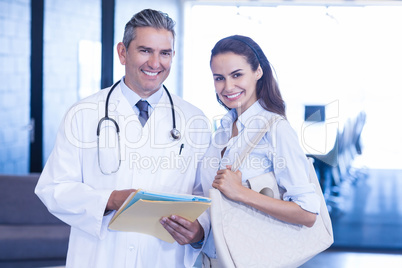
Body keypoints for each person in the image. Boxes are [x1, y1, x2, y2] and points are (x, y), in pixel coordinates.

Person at [35, 9, 211, 268]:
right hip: (100, 257)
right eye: (145, 50)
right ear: (122, 52)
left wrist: (199, 232)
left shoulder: (194, 120)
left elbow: (205, 196)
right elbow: (53, 188)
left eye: (165, 53)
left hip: (163, 257)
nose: (155, 63)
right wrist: (111, 199)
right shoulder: (83, 114)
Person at [200, 35, 321, 263]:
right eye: (219, 78)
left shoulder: (276, 129)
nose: (227, 87)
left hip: (253, 258)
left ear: (258, 71)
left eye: (237, 75)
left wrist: (241, 193)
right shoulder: (223, 129)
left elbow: (307, 213)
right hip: (215, 259)